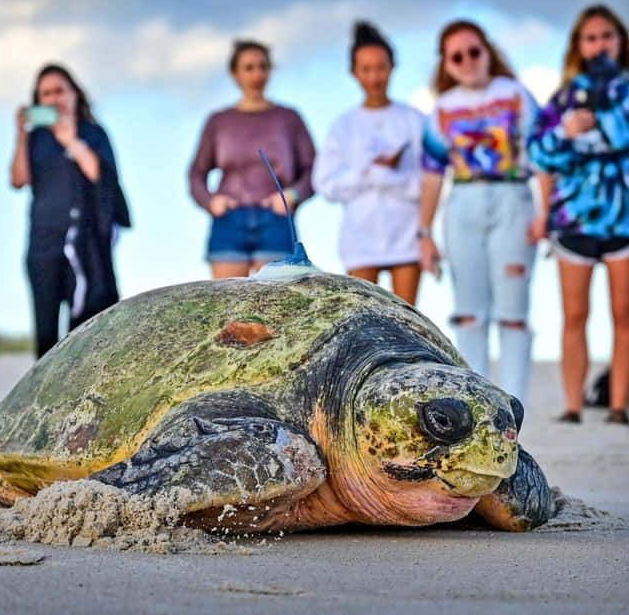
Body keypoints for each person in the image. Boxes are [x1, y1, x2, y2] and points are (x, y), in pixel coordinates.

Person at [528, 4, 629, 425]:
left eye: (607, 36)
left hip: (627, 217)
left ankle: (619, 406)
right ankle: (574, 406)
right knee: (574, 315)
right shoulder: (563, 99)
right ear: (579, 47)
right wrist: (565, 131)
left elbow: (627, 132)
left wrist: (595, 118)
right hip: (573, 221)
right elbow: (537, 152)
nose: (600, 44)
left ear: (621, 42)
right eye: (591, 38)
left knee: (623, 314)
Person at [419, 21, 545, 402]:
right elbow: (432, 174)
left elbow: (543, 157)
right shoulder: (440, 110)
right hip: (464, 204)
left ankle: (512, 406)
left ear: (487, 51)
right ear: (447, 64)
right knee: (470, 311)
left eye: (474, 51)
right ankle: (477, 406)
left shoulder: (516, 95)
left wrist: (547, 213)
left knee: (512, 310)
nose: (468, 61)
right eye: (457, 56)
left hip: (512, 198)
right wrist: (425, 233)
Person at [11, 63, 131, 358]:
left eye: (60, 91)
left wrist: (71, 140)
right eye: (46, 94)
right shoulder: (37, 138)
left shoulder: (94, 133)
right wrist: (21, 134)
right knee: (45, 330)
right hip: (44, 241)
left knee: (88, 326)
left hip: (87, 243)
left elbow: (101, 176)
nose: (54, 99)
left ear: (75, 94)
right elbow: (18, 179)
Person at [313, 22, 426, 304]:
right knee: (364, 317)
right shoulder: (344, 125)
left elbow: (430, 180)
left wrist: (392, 180)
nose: (375, 77)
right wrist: (366, 174)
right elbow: (325, 183)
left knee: (409, 320)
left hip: (407, 236)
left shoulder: (414, 119)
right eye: (366, 69)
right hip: (360, 238)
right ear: (354, 73)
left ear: (392, 67)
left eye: (381, 68)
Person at [188, 39, 315, 277]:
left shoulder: (289, 118)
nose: (257, 74)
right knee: (230, 307)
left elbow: (313, 170)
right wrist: (209, 201)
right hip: (229, 221)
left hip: (276, 219)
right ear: (234, 74)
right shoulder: (219, 121)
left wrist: (294, 195)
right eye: (249, 68)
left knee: (274, 308)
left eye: (262, 66)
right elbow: (196, 172)